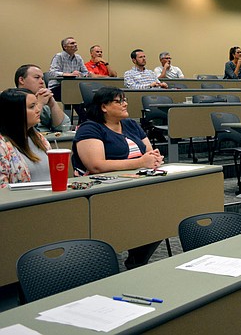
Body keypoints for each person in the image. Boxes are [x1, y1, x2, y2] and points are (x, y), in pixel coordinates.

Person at [72, 86, 165, 269]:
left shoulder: (130, 124)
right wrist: (140, 162)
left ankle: (137, 261)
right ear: (104, 107)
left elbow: (147, 152)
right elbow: (96, 165)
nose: (125, 104)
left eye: (125, 100)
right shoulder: (89, 128)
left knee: (161, 217)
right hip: (103, 190)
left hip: (136, 185)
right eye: (119, 101)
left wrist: (154, 158)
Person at [0, 88, 51, 188]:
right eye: (32, 107)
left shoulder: (39, 138)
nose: (38, 110)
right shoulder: (2, 146)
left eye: (37, 104)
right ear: (15, 113)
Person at [14, 64, 71, 132]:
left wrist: (52, 104)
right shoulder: (10, 99)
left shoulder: (43, 97)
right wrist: (40, 103)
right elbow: (21, 128)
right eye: (37, 77)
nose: (42, 82)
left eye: (42, 78)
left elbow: (63, 127)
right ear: (21, 80)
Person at [48, 36, 90, 101]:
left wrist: (80, 74)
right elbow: (52, 73)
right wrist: (69, 74)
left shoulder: (78, 58)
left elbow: (85, 72)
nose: (75, 45)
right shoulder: (59, 56)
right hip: (57, 87)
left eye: (75, 43)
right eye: (72, 43)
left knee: (86, 91)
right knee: (75, 94)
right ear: (65, 47)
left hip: (72, 86)